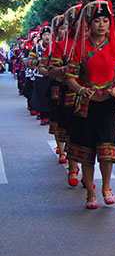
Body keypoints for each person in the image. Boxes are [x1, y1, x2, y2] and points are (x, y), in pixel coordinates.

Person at [63, 0, 115, 209]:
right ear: (89, 24)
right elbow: (70, 76)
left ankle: (106, 186)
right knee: (86, 151)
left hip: (108, 102)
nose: (101, 24)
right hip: (86, 103)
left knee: (107, 149)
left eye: (105, 20)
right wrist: (80, 89)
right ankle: (90, 192)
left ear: (110, 23)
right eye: (96, 20)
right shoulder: (80, 47)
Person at [49, 3, 84, 187]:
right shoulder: (62, 46)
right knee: (72, 133)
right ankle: (72, 167)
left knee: (90, 138)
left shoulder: (100, 44)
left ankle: (89, 174)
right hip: (69, 95)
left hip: (93, 96)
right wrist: (64, 69)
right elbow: (51, 70)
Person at [45, 14, 68, 163]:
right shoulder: (51, 48)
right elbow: (42, 68)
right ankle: (61, 150)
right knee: (56, 117)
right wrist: (56, 72)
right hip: (56, 87)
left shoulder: (77, 45)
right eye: (62, 28)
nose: (65, 31)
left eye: (67, 28)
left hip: (75, 89)